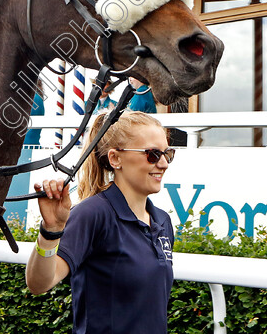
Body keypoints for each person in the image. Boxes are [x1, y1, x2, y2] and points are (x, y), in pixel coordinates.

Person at [25, 112, 175, 333]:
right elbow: (39, 283)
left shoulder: (162, 221)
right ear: (115, 159)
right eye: (152, 154)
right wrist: (50, 231)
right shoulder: (93, 214)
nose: (163, 164)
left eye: (167, 154)